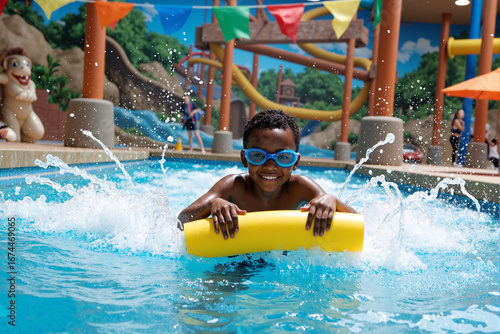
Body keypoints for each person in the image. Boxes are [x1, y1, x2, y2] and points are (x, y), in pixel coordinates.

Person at [177, 109, 356, 239]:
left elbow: (355, 224)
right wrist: (211, 204)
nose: (270, 166)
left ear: (296, 162)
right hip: (237, 256)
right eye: (258, 156)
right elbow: (181, 222)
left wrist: (333, 200)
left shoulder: (300, 187)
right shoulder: (233, 186)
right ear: (244, 159)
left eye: (283, 157)